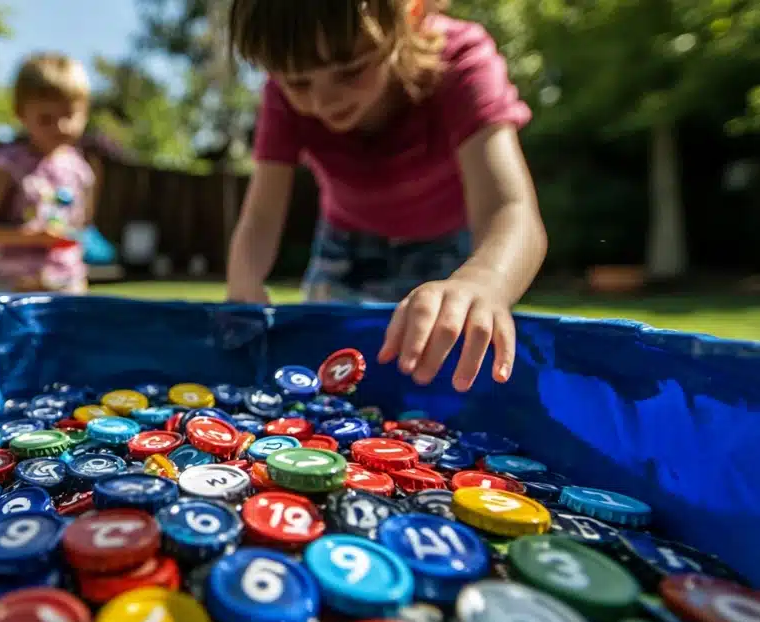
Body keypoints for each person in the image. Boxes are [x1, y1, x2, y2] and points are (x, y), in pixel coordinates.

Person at [225, 0, 548, 392]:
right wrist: (244, 283)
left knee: (438, 380)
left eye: (351, 71)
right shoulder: (282, 96)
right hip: (344, 249)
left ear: (410, 15)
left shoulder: (460, 63)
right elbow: (261, 217)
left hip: (450, 253)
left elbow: (511, 209)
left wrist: (483, 281)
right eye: (299, 82)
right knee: (329, 375)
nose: (324, 101)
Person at [0, 53, 96, 294]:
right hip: (18, 288)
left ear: (84, 112)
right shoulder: (6, 164)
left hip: (68, 285)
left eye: (69, 115)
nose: (60, 126)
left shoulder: (80, 170)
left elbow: (81, 227)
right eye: (46, 118)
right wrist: (35, 236)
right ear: (21, 114)